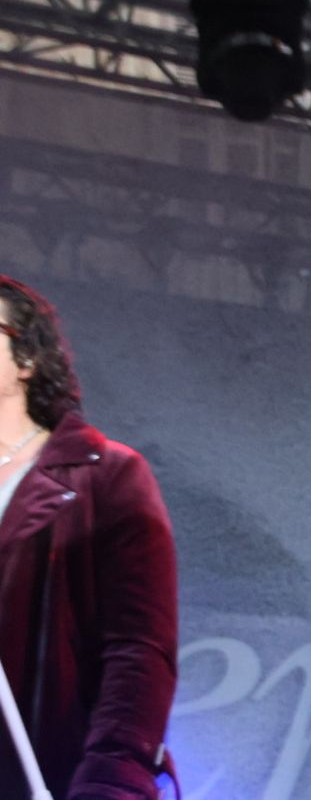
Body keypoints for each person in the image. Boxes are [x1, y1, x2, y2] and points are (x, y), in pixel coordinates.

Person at [0, 277, 178, 800]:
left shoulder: (104, 476)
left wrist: (111, 778)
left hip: (49, 773)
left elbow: (138, 650)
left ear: (27, 360)